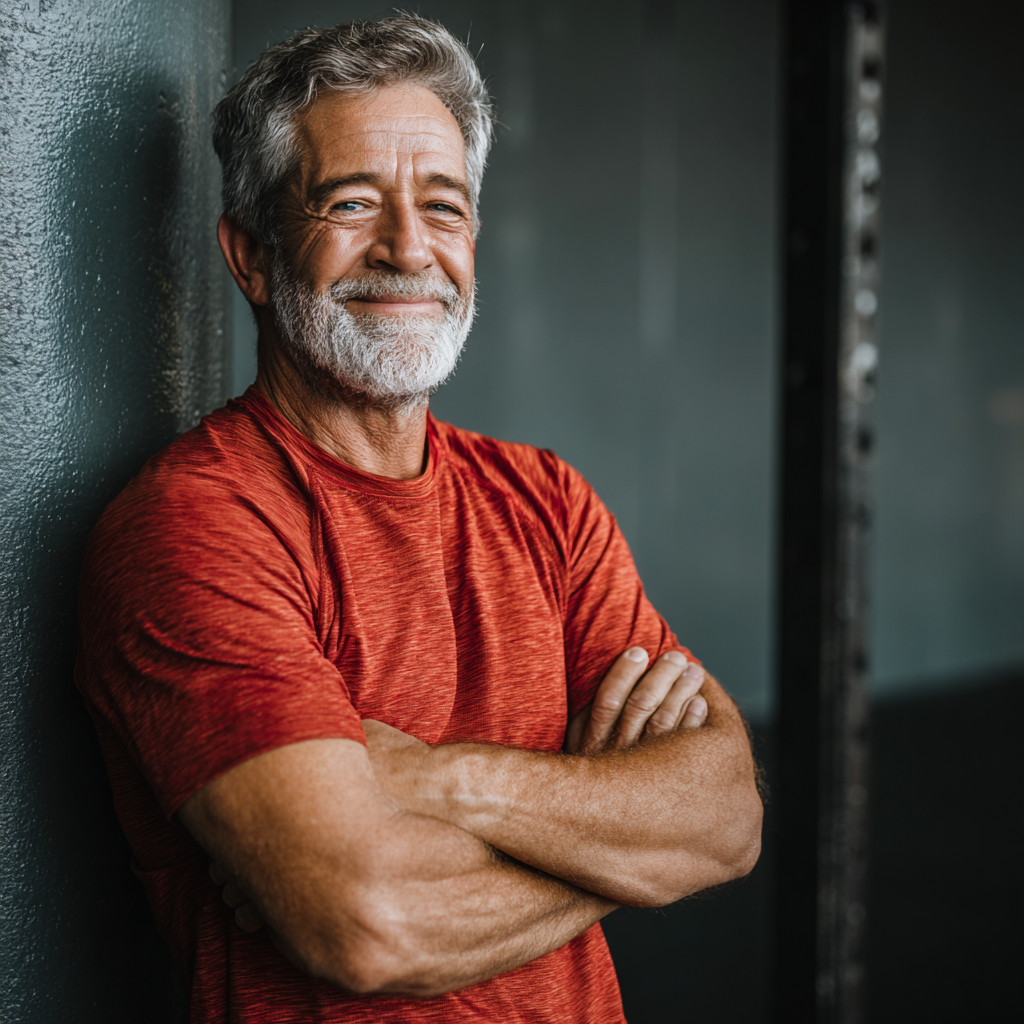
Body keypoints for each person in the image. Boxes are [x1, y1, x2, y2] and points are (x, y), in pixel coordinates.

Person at [76, 15, 762, 1023]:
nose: (407, 248)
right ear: (252, 256)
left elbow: (724, 817)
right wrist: (618, 842)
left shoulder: (547, 503)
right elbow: (367, 920)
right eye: (351, 202)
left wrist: (437, 783)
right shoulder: (197, 525)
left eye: (441, 207)